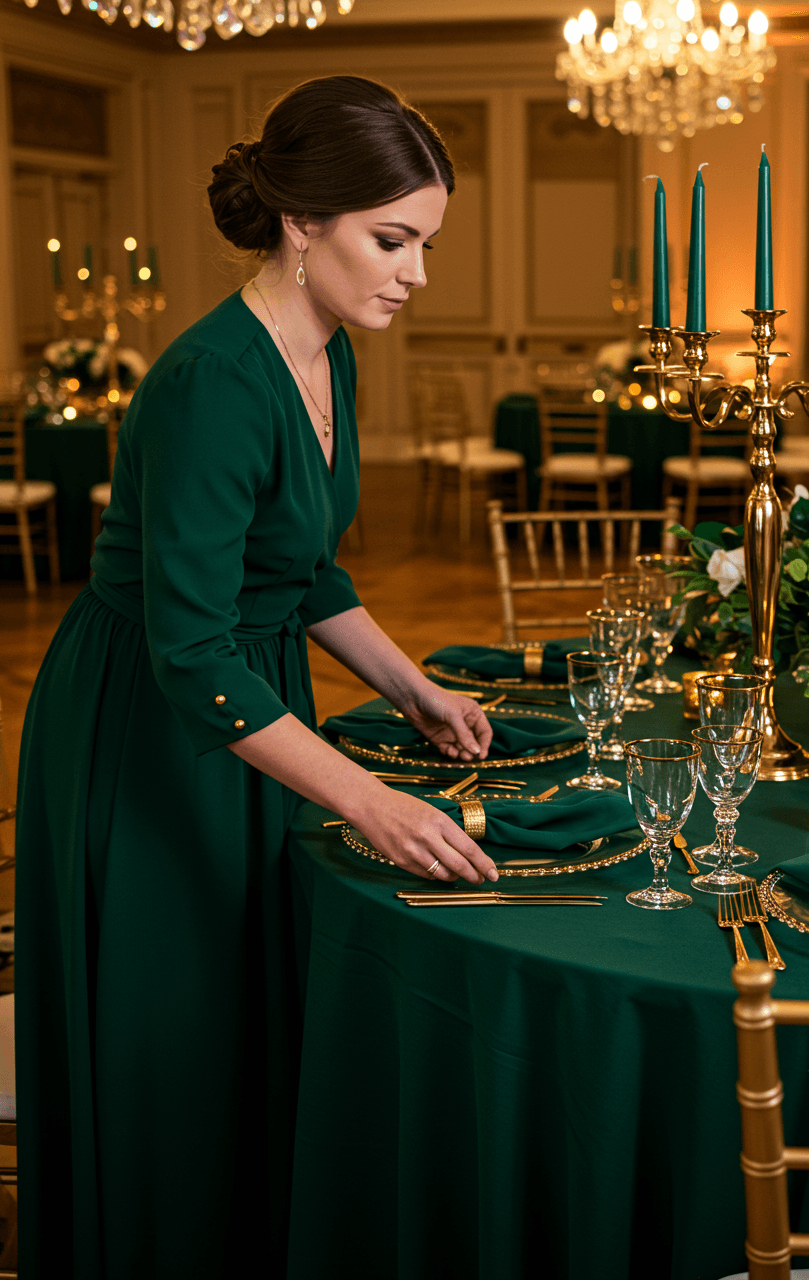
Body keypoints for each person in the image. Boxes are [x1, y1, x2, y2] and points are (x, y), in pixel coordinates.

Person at [15, 74, 499, 1279]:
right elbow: (189, 648)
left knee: (246, 1009)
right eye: (392, 240)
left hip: (250, 700)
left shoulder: (328, 346)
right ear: (301, 223)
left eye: (423, 244)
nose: (414, 274)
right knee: (176, 1029)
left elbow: (301, 567)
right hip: (155, 728)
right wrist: (367, 795)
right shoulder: (210, 383)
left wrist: (410, 690)